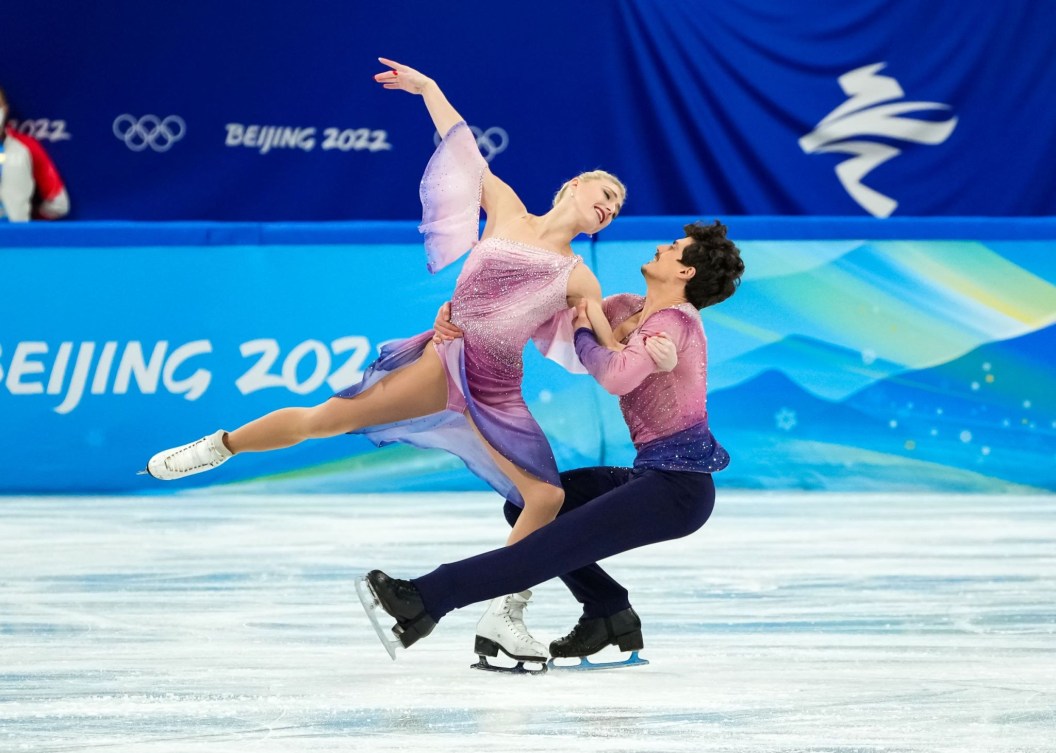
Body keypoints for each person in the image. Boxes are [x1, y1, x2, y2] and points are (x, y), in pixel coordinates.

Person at [143, 59, 649, 664]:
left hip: (497, 388)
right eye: (606, 194)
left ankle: (503, 617)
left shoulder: (581, 277)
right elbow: (464, 151)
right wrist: (430, 90)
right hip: (445, 360)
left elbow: (608, 346)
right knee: (322, 420)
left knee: (544, 497)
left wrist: (648, 332)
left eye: (617, 208)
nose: (609, 207)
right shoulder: (507, 209)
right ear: (572, 186)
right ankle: (218, 446)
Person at [358, 220, 745, 672]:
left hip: (678, 490)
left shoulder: (675, 323)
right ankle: (607, 611)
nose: (663, 245)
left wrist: (585, 336)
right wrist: (454, 315)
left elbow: (617, 376)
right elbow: (541, 318)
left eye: (675, 247)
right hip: (652, 475)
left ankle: (423, 601)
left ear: (686, 273)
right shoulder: (626, 308)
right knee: (530, 505)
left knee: (542, 551)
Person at [0, 85, 70, 222]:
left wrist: (26, 219)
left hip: (16, 239)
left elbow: (59, 204)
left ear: (5, 109)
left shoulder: (26, 147)